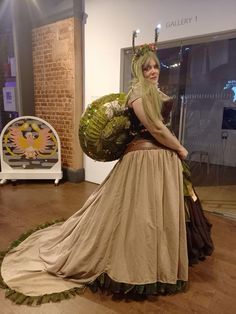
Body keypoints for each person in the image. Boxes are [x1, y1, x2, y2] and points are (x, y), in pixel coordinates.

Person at [0, 44, 213, 306]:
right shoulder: (136, 93)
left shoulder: (155, 91)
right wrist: (179, 147)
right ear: (138, 69)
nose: (152, 71)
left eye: (155, 66)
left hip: (161, 160)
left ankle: (161, 259)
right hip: (145, 158)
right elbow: (156, 128)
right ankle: (137, 263)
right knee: (139, 214)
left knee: (157, 212)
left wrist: (172, 150)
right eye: (146, 67)